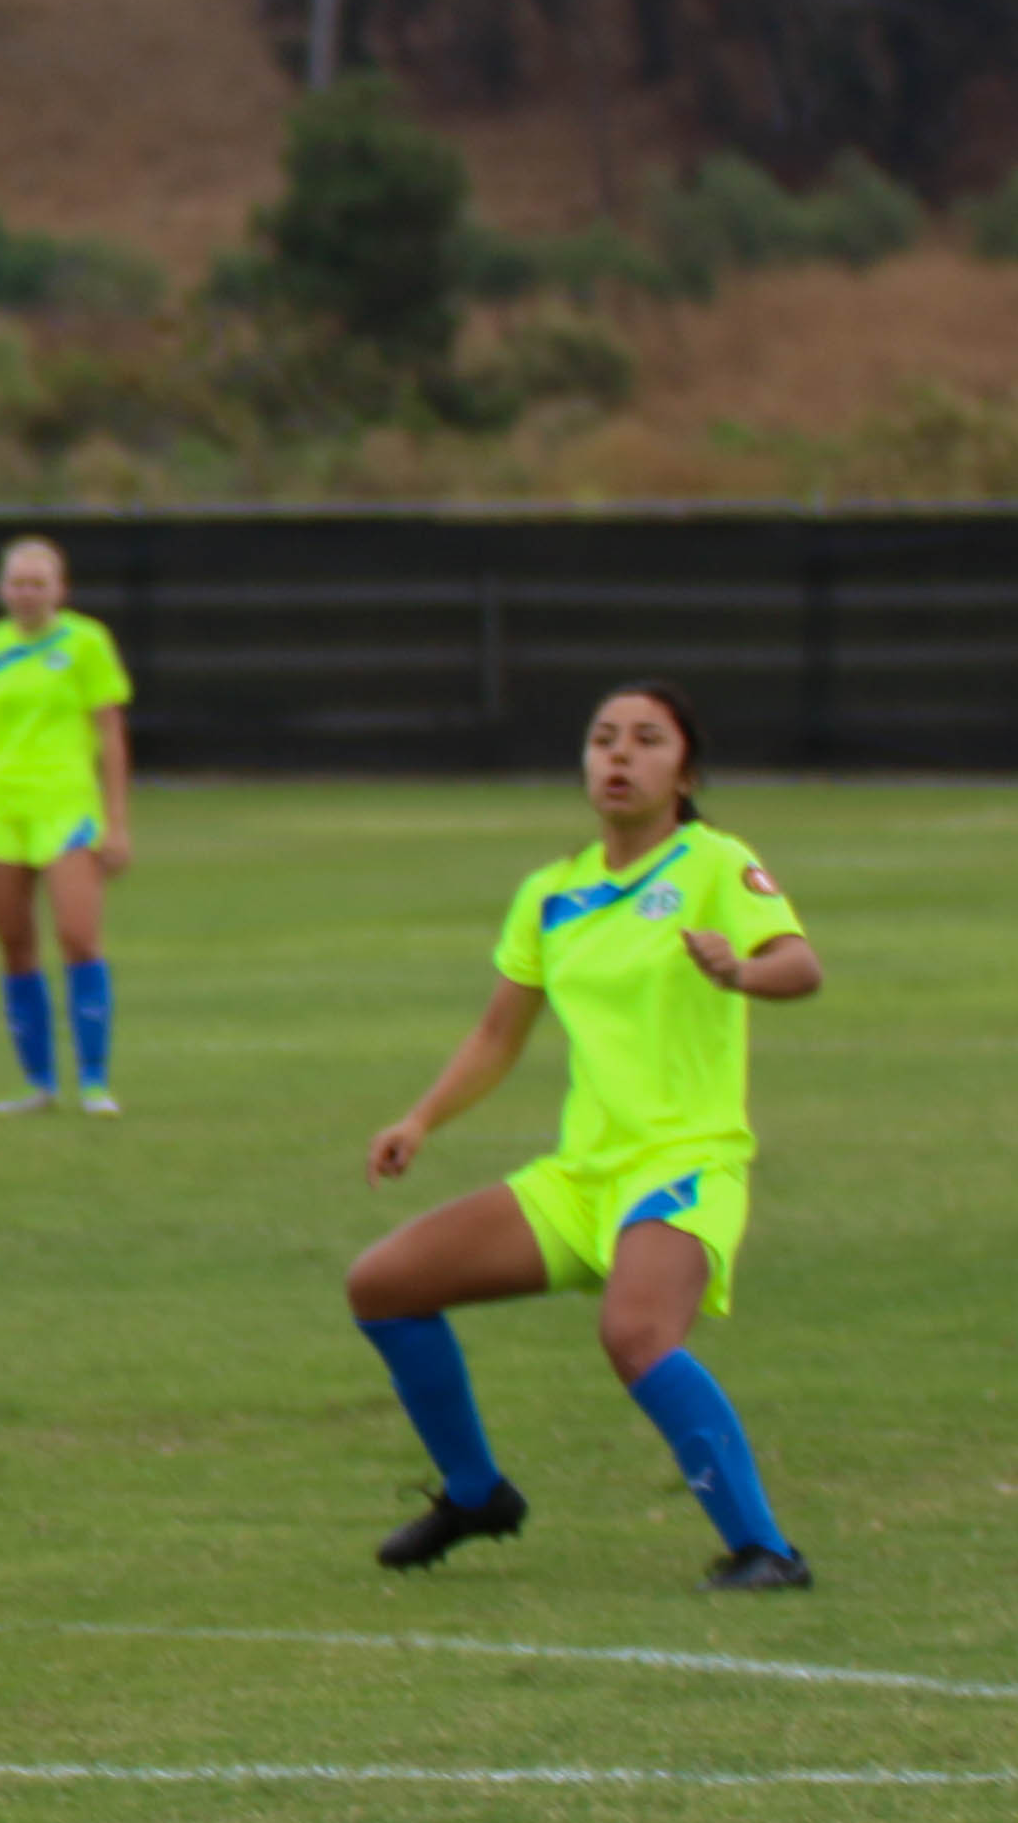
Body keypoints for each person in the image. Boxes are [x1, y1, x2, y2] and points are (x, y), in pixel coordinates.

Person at [346, 681, 825, 1591]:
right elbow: (498, 1034)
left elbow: (800, 966)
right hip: (580, 1180)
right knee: (383, 1286)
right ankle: (477, 1493)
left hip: (686, 1161)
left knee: (636, 1333)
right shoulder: (551, 892)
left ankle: (766, 1549)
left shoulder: (714, 862)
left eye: (648, 740)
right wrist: (421, 1118)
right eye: (604, 739)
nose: (619, 755)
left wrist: (740, 973)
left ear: (684, 770)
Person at [0, 534, 133, 1115]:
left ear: (60, 590)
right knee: (15, 946)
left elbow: (109, 731)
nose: (26, 594)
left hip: (66, 805)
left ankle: (95, 1081)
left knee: (77, 936)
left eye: (38, 584)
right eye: (17, 584)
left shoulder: (86, 642)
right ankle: (39, 1083)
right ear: (2, 590)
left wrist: (117, 820)